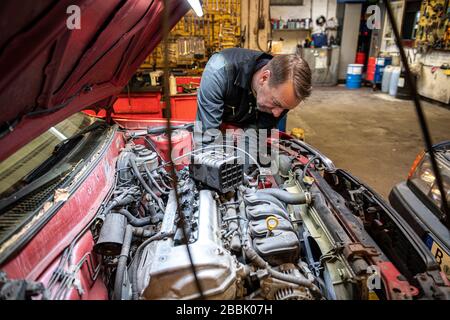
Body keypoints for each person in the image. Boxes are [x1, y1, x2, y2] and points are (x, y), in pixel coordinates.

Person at [194, 48, 312, 148]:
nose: (277, 114)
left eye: (285, 109)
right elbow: (207, 140)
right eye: (276, 103)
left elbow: (258, 134)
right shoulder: (219, 70)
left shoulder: (283, 95)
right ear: (264, 78)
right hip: (217, 130)